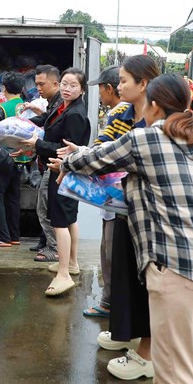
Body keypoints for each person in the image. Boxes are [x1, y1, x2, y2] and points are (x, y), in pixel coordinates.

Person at [63, 73, 193, 384]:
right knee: (175, 352)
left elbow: (89, 161)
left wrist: (66, 158)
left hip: (173, 266)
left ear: (152, 105)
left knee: (174, 362)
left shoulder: (146, 139)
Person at [58, 55, 160, 380]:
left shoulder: (156, 124)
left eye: (125, 80)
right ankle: (126, 334)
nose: (118, 86)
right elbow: (105, 150)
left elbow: (112, 154)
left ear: (144, 84)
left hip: (148, 215)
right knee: (123, 269)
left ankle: (145, 354)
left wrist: (75, 161)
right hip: (123, 207)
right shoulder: (126, 113)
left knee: (144, 280)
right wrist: (80, 157)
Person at [25, 67, 91, 296]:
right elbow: (48, 121)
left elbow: (67, 150)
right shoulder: (63, 106)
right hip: (59, 170)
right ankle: (71, 263)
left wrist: (37, 145)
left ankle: (63, 274)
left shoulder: (75, 114)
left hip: (63, 171)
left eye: (73, 85)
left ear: (82, 89)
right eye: (64, 83)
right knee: (69, 219)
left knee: (60, 221)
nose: (67, 88)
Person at [81, 65, 130, 318]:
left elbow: (106, 150)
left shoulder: (121, 111)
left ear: (110, 88)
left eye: (101, 88)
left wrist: (80, 158)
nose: (99, 94)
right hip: (117, 193)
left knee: (111, 250)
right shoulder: (123, 111)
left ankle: (111, 303)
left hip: (116, 194)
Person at [0, 72, 31, 247]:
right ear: (22, 88)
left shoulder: (1, 109)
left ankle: (2, 237)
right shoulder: (27, 107)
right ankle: (13, 236)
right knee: (12, 197)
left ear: (4, 88)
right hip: (21, 158)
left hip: (1, 159)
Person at [30, 64, 62, 260]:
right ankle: (47, 243)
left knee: (46, 208)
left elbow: (60, 144)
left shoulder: (63, 107)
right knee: (44, 207)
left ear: (55, 83)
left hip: (56, 164)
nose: (38, 88)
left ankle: (54, 248)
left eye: (42, 84)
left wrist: (36, 144)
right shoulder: (52, 103)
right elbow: (45, 120)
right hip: (49, 163)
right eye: (36, 84)